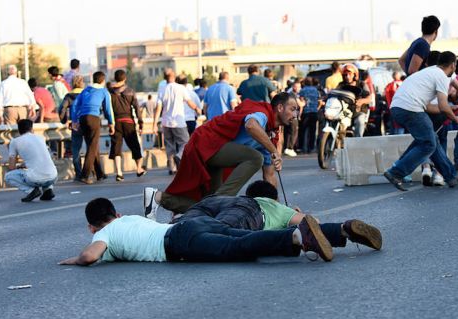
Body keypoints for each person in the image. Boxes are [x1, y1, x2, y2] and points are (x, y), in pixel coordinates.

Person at [59, 197, 382, 266]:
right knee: (241, 238)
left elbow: (90, 257)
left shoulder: (104, 234)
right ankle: (341, 231)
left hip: (179, 241)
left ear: (92, 225)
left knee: (237, 249)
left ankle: (296, 239)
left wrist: (72, 260)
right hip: (191, 225)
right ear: (115, 213)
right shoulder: (127, 218)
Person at [143, 93, 297, 219]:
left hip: (217, 154)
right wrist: (274, 150)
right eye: (293, 109)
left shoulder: (271, 134)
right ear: (280, 107)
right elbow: (251, 125)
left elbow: (269, 176)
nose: (295, 115)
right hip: (207, 143)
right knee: (255, 158)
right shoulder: (262, 113)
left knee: (210, 208)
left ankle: (157, 198)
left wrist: (282, 212)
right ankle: (219, 201)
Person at [171, 180, 382, 250]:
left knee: (181, 231)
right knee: (220, 235)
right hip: (246, 215)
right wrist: (297, 213)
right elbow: (313, 223)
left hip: (208, 205)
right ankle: (344, 229)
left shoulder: (232, 199)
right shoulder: (273, 206)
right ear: (272, 198)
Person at [383, 51, 458, 191]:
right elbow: (443, 106)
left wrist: (450, 109)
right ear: (453, 65)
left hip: (399, 107)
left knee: (431, 140)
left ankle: (451, 176)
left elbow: (429, 107)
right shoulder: (442, 77)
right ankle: (396, 172)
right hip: (410, 108)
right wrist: (455, 117)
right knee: (428, 143)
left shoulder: (430, 72)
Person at [72, 71, 114, 184]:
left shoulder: (85, 90)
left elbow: (75, 104)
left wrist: (74, 120)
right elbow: (108, 109)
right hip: (93, 118)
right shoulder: (103, 91)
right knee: (92, 146)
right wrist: (111, 123)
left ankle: (99, 173)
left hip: (83, 118)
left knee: (92, 145)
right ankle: (85, 175)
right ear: (103, 81)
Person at [152, 70, 195, 175]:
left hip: (166, 122)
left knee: (169, 145)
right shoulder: (181, 88)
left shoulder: (162, 89)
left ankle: (172, 168)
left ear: (164, 77)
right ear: (174, 76)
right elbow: (189, 102)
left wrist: (154, 124)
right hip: (178, 122)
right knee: (185, 142)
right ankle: (179, 156)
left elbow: (158, 108)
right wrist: (197, 109)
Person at [5, 119, 58, 202]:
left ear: (19, 130)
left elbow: (12, 167)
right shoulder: (41, 138)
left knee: (8, 176)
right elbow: (41, 159)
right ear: (31, 129)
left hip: (36, 179)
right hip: (53, 176)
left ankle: (32, 191)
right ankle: (48, 189)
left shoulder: (14, 142)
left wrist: (20, 167)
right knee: (44, 168)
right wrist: (25, 164)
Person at [108, 69, 146, 181]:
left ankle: (119, 173)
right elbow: (137, 108)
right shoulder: (130, 91)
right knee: (134, 145)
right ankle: (139, 169)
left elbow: (107, 108)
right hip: (129, 121)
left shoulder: (110, 92)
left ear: (115, 78)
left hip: (116, 122)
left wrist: (110, 122)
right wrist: (140, 122)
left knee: (117, 147)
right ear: (124, 78)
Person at [59, 75, 85, 178]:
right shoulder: (86, 94)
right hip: (88, 122)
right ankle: (91, 171)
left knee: (75, 149)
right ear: (82, 83)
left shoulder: (69, 96)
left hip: (75, 124)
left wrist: (64, 120)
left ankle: (78, 173)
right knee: (92, 148)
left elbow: (62, 109)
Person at [336, 64, 372, 138]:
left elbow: (369, 98)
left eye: (349, 74)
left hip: (359, 111)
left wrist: (361, 101)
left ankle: (358, 142)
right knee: (337, 122)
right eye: (345, 75)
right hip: (345, 111)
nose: (347, 77)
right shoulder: (341, 85)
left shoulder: (361, 84)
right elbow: (334, 93)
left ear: (355, 75)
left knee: (359, 122)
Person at [299, 77, 320, 153]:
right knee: (312, 131)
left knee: (303, 131)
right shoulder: (315, 90)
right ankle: (311, 147)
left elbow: (301, 101)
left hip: (306, 112)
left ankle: (302, 147)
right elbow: (318, 100)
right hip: (314, 112)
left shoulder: (303, 90)